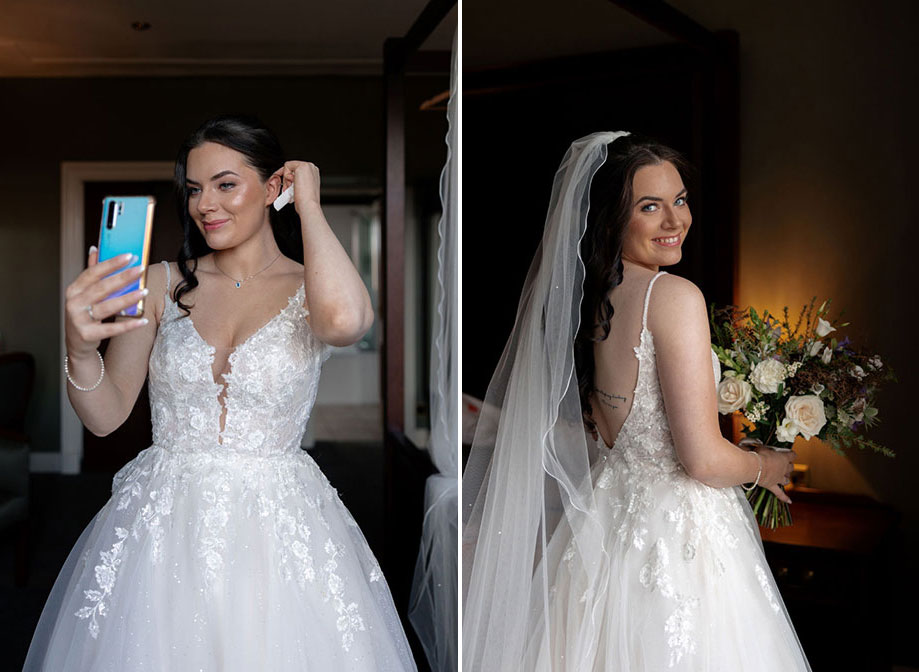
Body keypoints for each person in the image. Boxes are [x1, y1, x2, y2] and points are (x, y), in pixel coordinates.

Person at [24, 115, 417, 671]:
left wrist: (310, 208)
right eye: (193, 188)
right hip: (164, 524)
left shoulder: (312, 287)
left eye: (225, 184)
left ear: (273, 187)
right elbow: (106, 416)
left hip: (277, 524)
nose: (204, 203)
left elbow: (347, 321)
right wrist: (80, 349)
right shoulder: (160, 283)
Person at [462, 132, 811, 671]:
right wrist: (767, 464)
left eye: (680, 200)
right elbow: (702, 460)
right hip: (679, 534)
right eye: (650, 207)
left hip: (610, 522)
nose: (675, 221)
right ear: (610, 220)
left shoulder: (591, 303)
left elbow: (613, 430)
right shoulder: (672, 297)